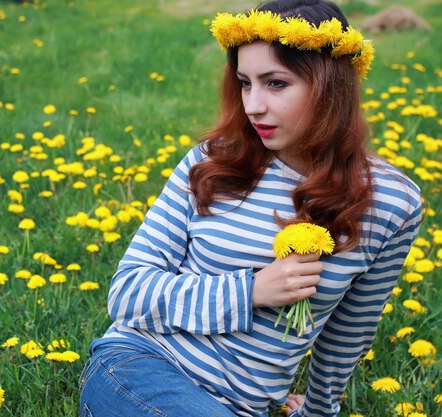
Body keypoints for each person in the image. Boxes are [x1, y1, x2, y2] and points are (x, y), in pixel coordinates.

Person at [78, 1, 422, 416]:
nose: (252, 105)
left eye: (275, 83)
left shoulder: (391, 203)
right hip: (138, 367)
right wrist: (251, 291)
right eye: (245, 83)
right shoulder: (210, 163)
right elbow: (127, 292)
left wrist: (316, 410)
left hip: (244, 406)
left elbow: (350, 331)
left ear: (332, 87)